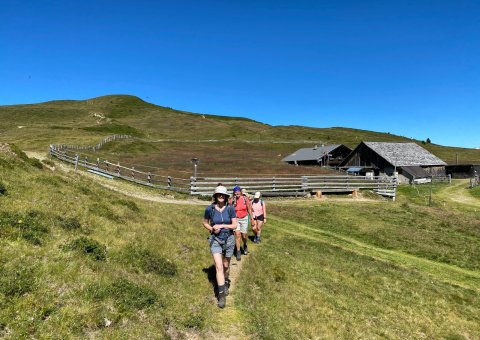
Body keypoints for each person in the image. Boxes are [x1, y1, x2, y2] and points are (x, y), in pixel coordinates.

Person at [203, 185, 237, 308]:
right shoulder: (209, 209)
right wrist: (212, 228)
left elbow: (234, 225)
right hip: (215, 240)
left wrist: (222, 226)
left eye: (223, 195)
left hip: (229, 239)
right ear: (216, 196)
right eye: (219, 194)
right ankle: (221, 296)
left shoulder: (230, 209)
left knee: (225, 266)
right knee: (218, 267)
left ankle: (226, 281)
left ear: (226, 197)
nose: (221, 196)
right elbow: (205, 222)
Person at [229, 186, 254, 261]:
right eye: (235, 192)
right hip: (236, 219)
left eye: (238, 191)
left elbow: (249, 209)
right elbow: (229, 211)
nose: (237, 193)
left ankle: (245, 245)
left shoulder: (245, 199)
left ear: (240, 192)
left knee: (244, 235)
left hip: (244, 218)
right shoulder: (231, 201)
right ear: (234, 193)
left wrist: (252, 219)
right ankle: (238, 251)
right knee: (237, 235)